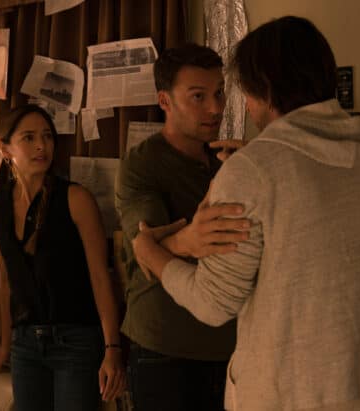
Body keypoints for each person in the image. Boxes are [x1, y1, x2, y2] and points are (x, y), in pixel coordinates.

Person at [132, 16, 360, 411]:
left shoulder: (253, 170)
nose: (232, 106)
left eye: (236, 91)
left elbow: (212, 303)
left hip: (289, 396)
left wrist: (150, 252)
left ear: (264, 89)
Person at [114, 43, 249, 411]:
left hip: (231, 346)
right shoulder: (142, 164)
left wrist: (251, 174)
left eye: (219, 93)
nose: (216, 108)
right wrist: (182, 242)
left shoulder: (231, 161)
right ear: (165, 101)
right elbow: (146, 247)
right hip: (166, 349)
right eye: (198, 96)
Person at [0, 105, 125, 410]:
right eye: (29, 137)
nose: (41, 146)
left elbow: (101, 278)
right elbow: (6, 280)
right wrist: (5, 343)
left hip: (76, 340)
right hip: (25, 343)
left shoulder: (76, 198)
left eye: (47, 136)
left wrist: (112, 348)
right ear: (5, 148)